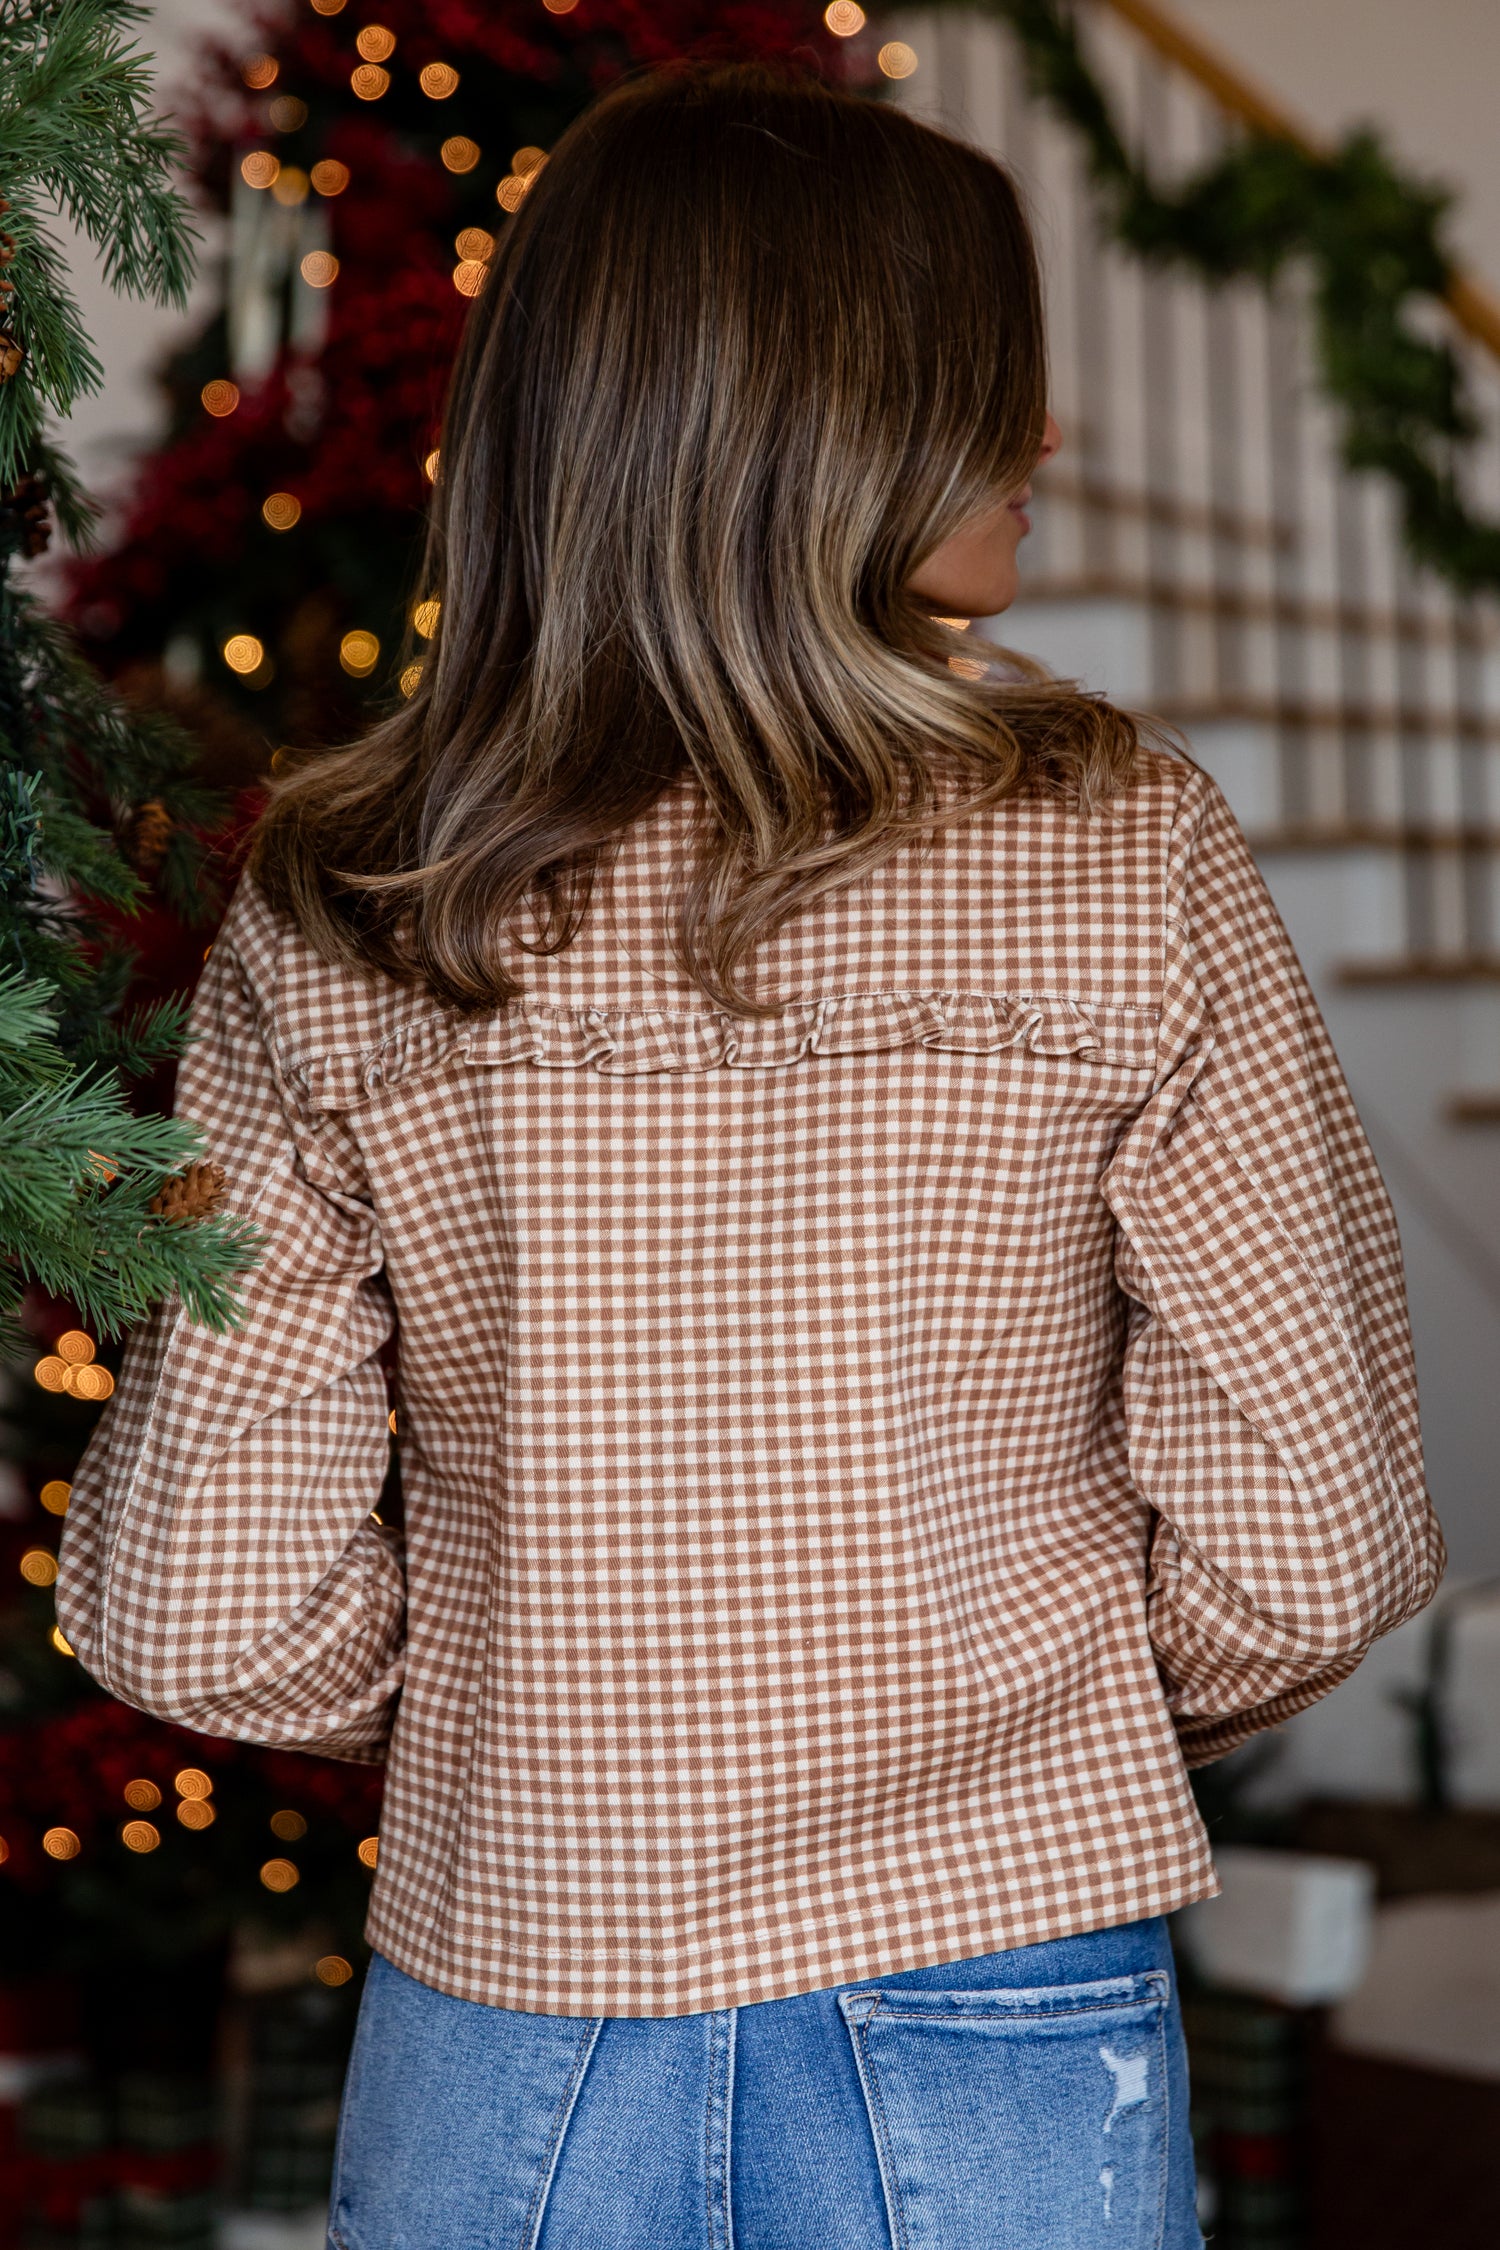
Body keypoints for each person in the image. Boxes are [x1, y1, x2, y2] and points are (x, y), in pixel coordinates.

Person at [57, 61, 1443, 2250]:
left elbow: (211, 1612)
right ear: (832, 428)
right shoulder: (1116, 848)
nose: (1050, 444)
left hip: (503, 1997)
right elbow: (1314, 1537)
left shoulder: (354, 897)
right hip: (999, 1968)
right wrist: (1006, 1688)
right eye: (992, 392)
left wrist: (551, 1710)